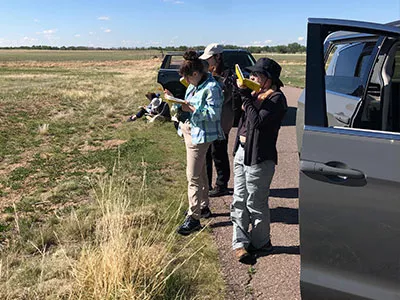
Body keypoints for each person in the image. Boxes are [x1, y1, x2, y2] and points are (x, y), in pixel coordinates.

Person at [230, 58, 287, 264]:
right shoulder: (254, 94)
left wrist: (246, 97)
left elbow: (258, 123)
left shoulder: (276, 99)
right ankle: (240, 244)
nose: (252, 77)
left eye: (257, 75)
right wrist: (240, 93)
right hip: (242, 152)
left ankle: (261, 242)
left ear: (269, 79)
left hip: (260, 157)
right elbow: (240, 115)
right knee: (239, 199)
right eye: (251, 74)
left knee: (255, 202)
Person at [165, 50, 224, 236]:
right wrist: (175, 101)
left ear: (196, 74)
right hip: (191, 132)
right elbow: (189, 103)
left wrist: (190, 108)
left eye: (187, 77)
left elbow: (214, 115)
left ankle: (194, 217)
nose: (186, 81)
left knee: (193, 177)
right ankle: (203, 206)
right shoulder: (195, 84)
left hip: (201, 135)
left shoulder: (212, 88)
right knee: (201, 174)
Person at [199, 43, 238, 197]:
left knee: (219, 152)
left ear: (218, 57)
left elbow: (227, 96)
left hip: (222, 120)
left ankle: (222, 185)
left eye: (209, 58)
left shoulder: (228, 74)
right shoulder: (206, 72)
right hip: (208, 119)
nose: (207, 62)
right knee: (206, 152)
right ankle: (206, 184)